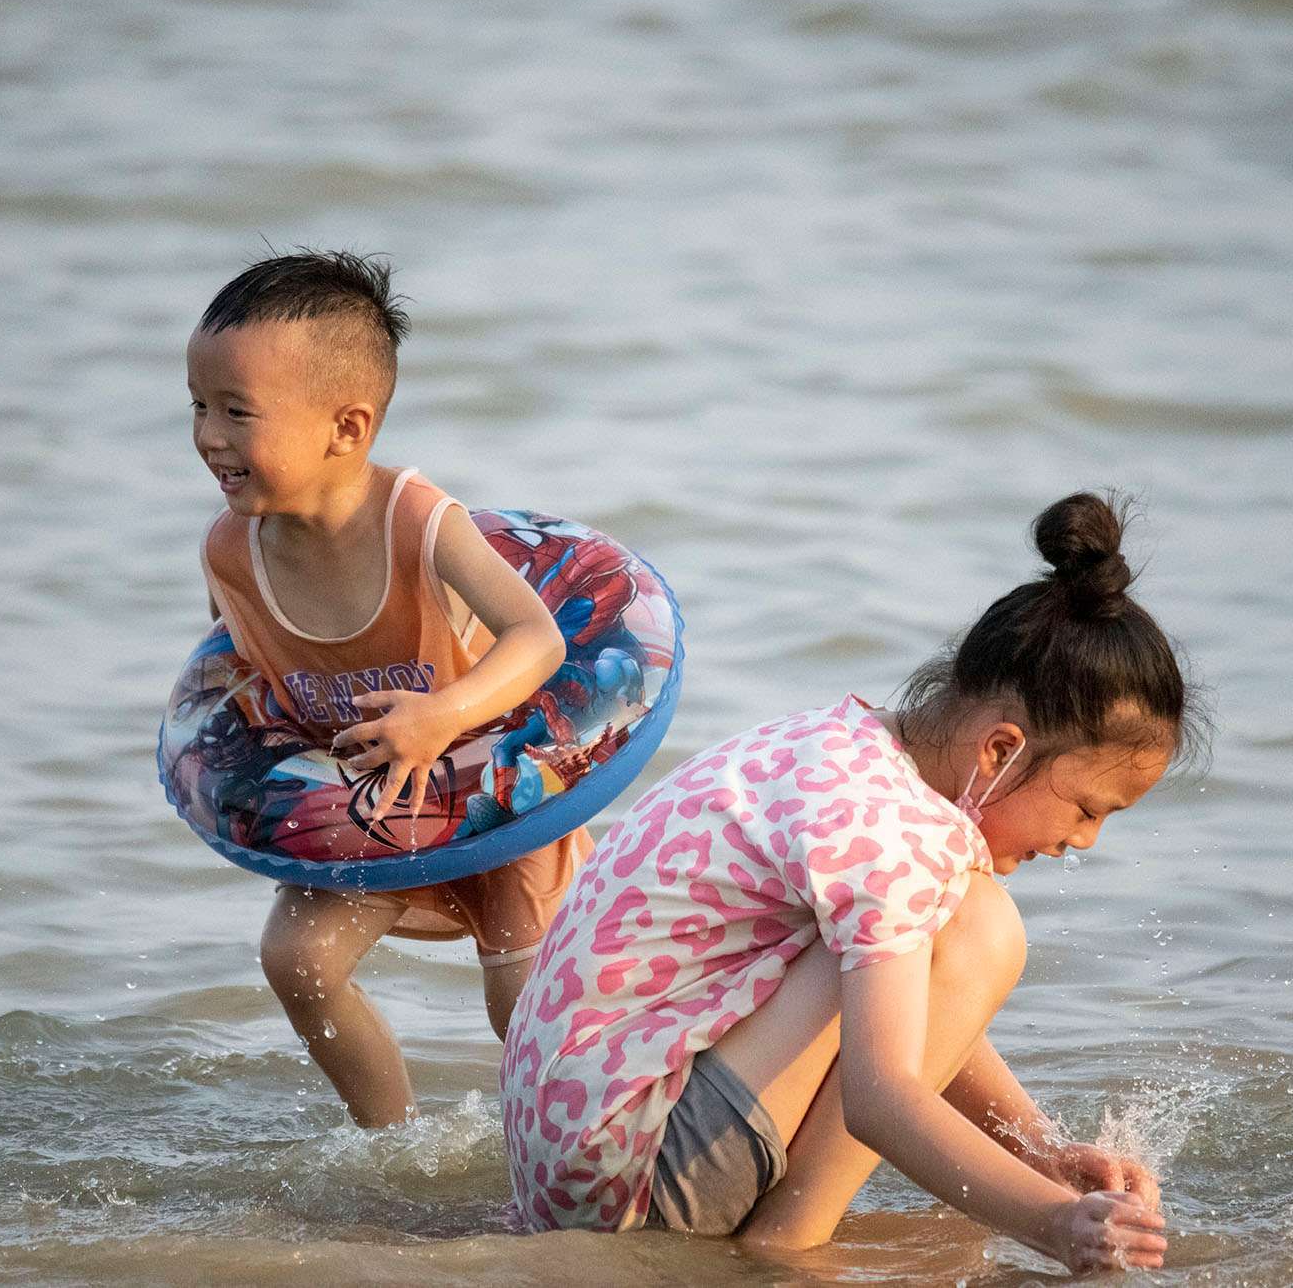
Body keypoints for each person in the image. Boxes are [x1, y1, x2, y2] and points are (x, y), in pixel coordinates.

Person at [500, 492, 1204, 1272]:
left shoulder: (849, 748)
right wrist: (1055, 1222)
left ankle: (772, 1223)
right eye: (1084, 807)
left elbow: (906, 1006)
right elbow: (881, 1096)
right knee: (984, 929)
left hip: (576, 1150)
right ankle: (787, 1243)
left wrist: (1041, 1151)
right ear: (1001, 749)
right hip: (636, 1173)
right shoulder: (897, 838)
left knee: (950, 930)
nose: (1083, 840)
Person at [189, 250, 590, 1127]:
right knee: (296, 957)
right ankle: (388, 1142)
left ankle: (568, 1158)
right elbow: (240, 678)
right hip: (372, 804)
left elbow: (540, 636)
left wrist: (440, 714)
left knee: (522, 1007)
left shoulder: (417, 519)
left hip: (499, 789)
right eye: (199, 406)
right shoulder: (231, 551)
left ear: (347, 426)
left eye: (237, 412)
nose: (210, 435)